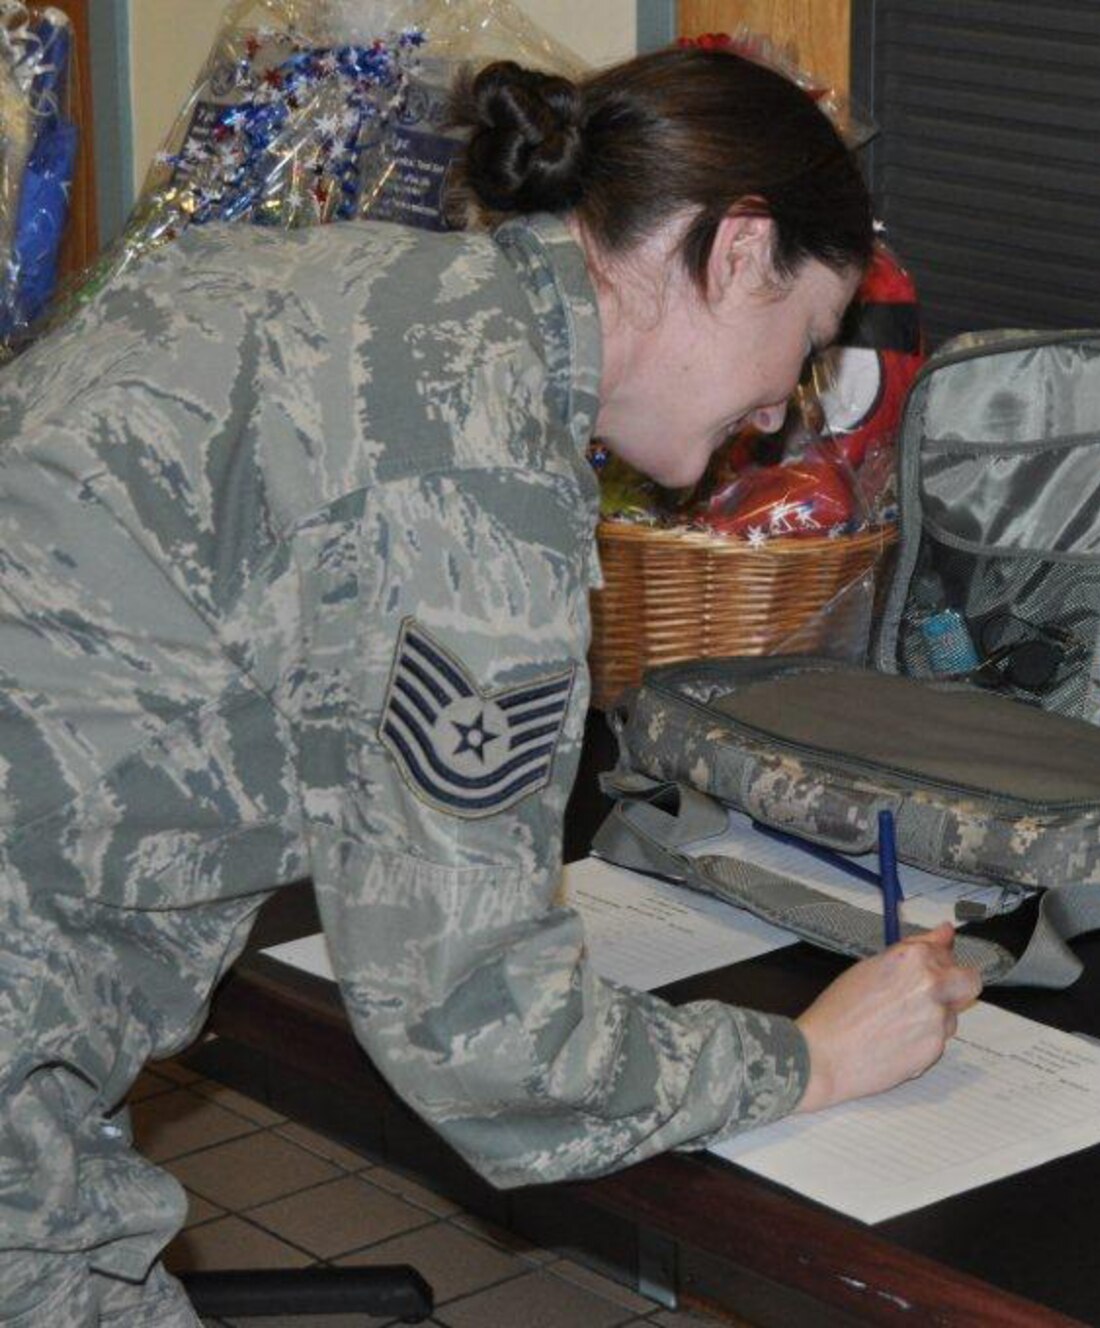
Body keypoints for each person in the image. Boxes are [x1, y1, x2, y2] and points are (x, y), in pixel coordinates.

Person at [0, 47, 981, 1325]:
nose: (774, 411)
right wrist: (808, 1056)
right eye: (804, 341)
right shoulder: (480, 471)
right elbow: (480, 1033)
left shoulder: (319, 270)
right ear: (737, 252)